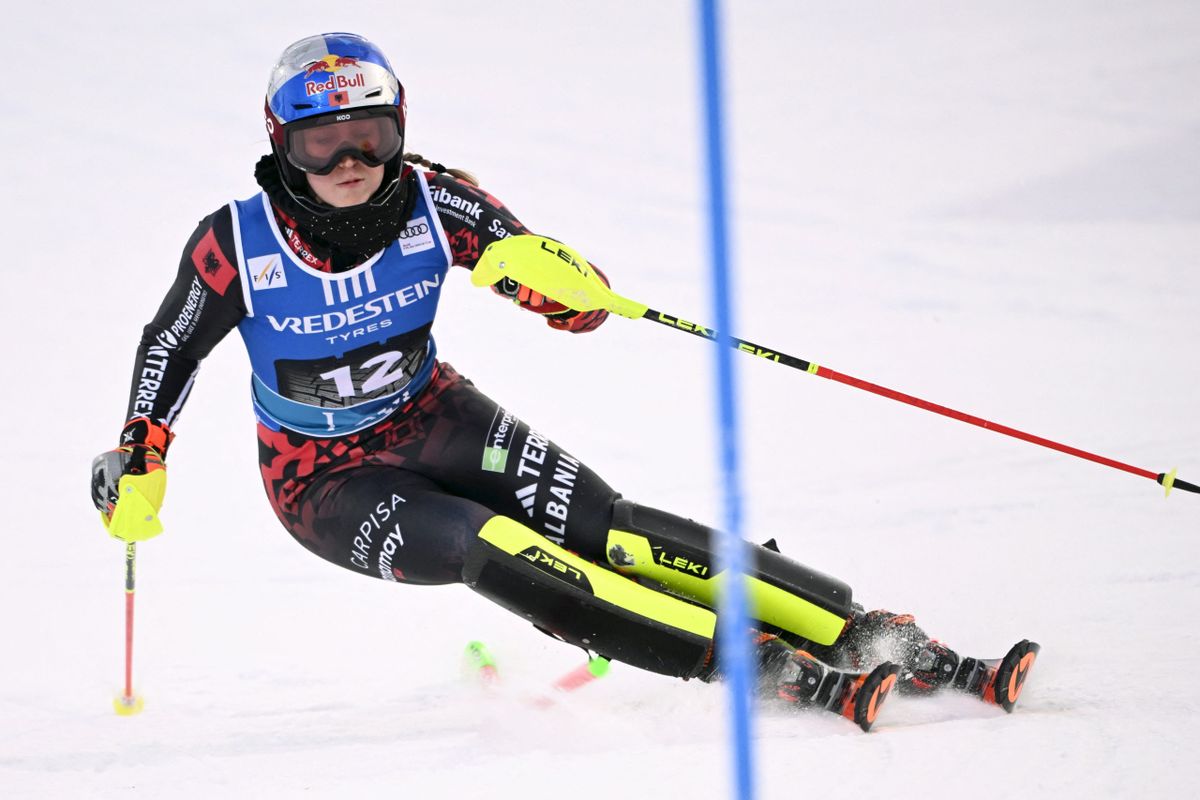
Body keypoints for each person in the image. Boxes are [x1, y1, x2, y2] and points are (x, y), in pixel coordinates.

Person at [90, 32, 1036, 731]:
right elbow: (168, 348)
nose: (351, 162)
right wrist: (141, 453)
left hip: (431, 412)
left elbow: (562, 297)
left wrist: (563, 286)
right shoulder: (236, 242)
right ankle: (750, 663)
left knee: (608, 528)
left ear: (400, 129)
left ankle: (855, 625)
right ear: (280, 145)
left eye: (372, 135)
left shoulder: (435, 200)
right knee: (484, 540)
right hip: (321, 476)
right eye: (321, 143)